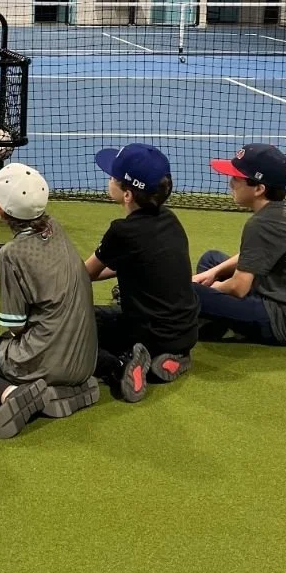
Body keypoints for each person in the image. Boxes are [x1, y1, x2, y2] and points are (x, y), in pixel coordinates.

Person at [0, 163, 99, 439]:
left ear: (0, 211)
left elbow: (15, 325)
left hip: (43, 361)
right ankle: (65, 391)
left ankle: (14, 394)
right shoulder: (55, 228)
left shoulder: (11, 254)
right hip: (86, 362)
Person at [84, 144, 198, 403]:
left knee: (78, 326)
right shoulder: (170, 219)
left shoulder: (121, 231)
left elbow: (85, 273)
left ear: (127, 195)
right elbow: (133, 263)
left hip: (148, 333)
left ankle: (121, 365)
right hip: (185, 333)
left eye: (113, 177)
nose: (109, 179)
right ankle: (174, 358)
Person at [194, 144, 286, 346]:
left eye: (237, 179)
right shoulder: (285, 208)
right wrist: (215, 271)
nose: (231, 184)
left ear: (259, 188)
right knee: (211, 260)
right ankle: (214, 320)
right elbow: (253, 254)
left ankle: (197, 324)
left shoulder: (262, 223)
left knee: (192, 292)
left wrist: (212, 289)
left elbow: (239, 288)